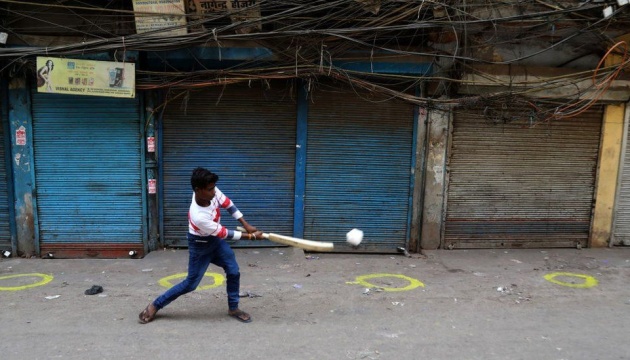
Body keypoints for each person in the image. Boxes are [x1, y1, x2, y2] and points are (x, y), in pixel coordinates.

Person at [139, 167, 263, 324]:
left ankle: (233, 308)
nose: (214, 192)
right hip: (200, 245)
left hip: (216, 242)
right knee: (190, 284)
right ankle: (155, 305)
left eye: (213, 188)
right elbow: (224, 233)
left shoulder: (210, 191)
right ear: (198, 190)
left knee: (234, 271)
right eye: (210, 189)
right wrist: (251, 237)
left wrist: (246, 224)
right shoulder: (198, 216)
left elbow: (228, 204)